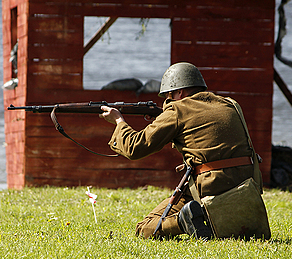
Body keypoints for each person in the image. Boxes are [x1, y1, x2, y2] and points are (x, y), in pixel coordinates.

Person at [100, 62, 263, 240]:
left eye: (169, 95)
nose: (167, 101)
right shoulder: (230, 104)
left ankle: (183, 221)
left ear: (180, 92)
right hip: (246, 187)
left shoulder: (178, 110)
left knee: (145, 228)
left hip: (211, 187)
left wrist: (119, 121)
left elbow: (134, 147)